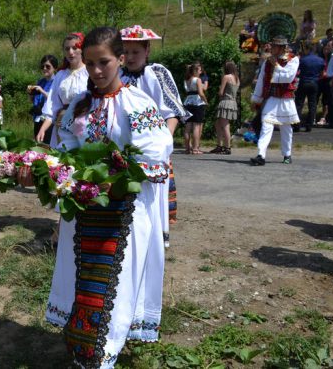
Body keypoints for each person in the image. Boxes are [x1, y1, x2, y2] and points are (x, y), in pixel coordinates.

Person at [22, 26, 172, 368]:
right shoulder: (79, 105)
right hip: (85, 212)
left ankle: (102, 357)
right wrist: (44, 169)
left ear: (120, 59)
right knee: (85, 281)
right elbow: (65, 151)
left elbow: (156, 153)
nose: (96, 71)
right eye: (89, 64)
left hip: (123, 214)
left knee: (113, 290)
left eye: (103, 62)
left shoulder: (138, 103)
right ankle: (86, 351)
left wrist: (115, 178)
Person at [119, 24, 190, 247]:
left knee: (152, 197)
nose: (130, 57)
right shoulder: (118, 75)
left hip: (153, 149)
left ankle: (154, 241)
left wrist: (163, 144)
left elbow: (172, 112)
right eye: (126, 52)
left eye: (135, 52)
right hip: (124, 147)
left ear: (147, 50)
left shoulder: (157, 74)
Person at [250, 36, 300, 166]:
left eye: (274, 46)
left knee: (286, 128)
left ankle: (287, 154)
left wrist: (276, 65)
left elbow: (287, 78)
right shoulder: (268, 62)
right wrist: (256, 99)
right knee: (266, 124)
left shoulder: (293, 60)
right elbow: (261, 80)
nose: (271, 49)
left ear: (282, 48)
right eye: (272, 46)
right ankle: (261, 154)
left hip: (286, 99)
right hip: (272, 99)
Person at [35, 32, 89, 148]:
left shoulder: (89, 72)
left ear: (82, 49)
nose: (70, 52)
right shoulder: (61, 75)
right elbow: (52, 105)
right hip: (63, 125)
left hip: (85, 124)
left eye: (75, 48)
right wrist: (42, 129)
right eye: (67, 49)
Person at [294, 40, 325, 132]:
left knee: (299, 104)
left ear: (306, 49)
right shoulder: (320, 60)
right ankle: (309, 125)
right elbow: (322, 73)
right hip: (314, 83)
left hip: (303, 82)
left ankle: (296, 125)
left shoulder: (302, 60)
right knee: (312, 105)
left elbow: (297, 72)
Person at [211, 62, 240, 154]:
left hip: (225, 101)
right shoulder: (237, 78)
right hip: (233, 102)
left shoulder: (226, 77)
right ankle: (219, 145)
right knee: (218, 124)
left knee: (225, 126)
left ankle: (227, 148)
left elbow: (221, 92)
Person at [28, 54, 58, 142]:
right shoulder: (40, 82)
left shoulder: (56, 81)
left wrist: (42, 91)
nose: (44, 68)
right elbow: (32, 101)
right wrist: (30, 93)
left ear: (55, 68)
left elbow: (55, 99)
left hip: (49, 120)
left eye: (48, 66)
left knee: (47, 146)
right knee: (38, 145)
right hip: (38, 118)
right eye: (42, 66)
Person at [183, 63, 207, 155]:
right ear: (195, 71)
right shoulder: (198, 80)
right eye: (200, 70)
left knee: (188, 126)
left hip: (188, 102)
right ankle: (195, 148)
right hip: (197, 102)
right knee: (196, 126)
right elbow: (201, 93)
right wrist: (206, 101)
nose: (201, 72)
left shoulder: (187, 80)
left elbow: (186, 90)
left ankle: (187, 148)